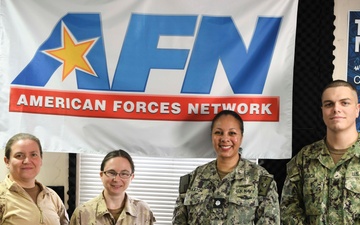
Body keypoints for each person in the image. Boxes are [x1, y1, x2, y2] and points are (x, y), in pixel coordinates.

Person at [172, 110, 280, 224]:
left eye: (232, 133)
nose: (224, 139)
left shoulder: (261, 179)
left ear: (241, 137)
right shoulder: (192, 179)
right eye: (218, 133)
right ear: (212, 136)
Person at [280, 79, 360, 224]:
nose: (336, 109)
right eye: (329, 104)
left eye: (345, 103)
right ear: (322, 111)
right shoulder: (305, 158)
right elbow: (289, 209)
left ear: (357, 109)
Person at [70, 149, 156, 225]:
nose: (116, 179)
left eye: (124, 174)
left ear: (131, 177)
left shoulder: (143, 211)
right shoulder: (82, 213)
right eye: (111, 172)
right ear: (101, 175)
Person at [0, 132, 69, 225]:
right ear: (7, 161)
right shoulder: (2, 196)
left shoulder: (52, 197)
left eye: (33, 155)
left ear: (41, 159)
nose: (27, 161)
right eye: (19, 155)